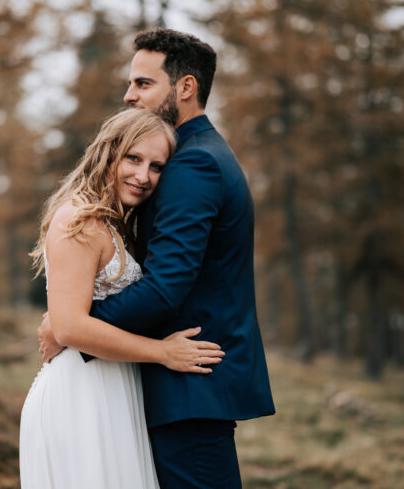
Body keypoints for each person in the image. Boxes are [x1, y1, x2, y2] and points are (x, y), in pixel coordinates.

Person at [38, 28, 276, 488]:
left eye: (143, 83)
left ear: (185, 87)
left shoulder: (193, 164)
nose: (129, 95)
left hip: (190, 382)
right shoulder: (197, 155)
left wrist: (69, 325)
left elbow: (166, 286)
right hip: (173, 383)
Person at [19, 107, 226, 489]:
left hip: (113, 390)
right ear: (108, 153)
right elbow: (69, 327)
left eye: (156, 166)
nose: (143, 176)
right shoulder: (78, 219)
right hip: (81, 398)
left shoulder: (112, 223)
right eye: (133, 158)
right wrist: (162, 352)